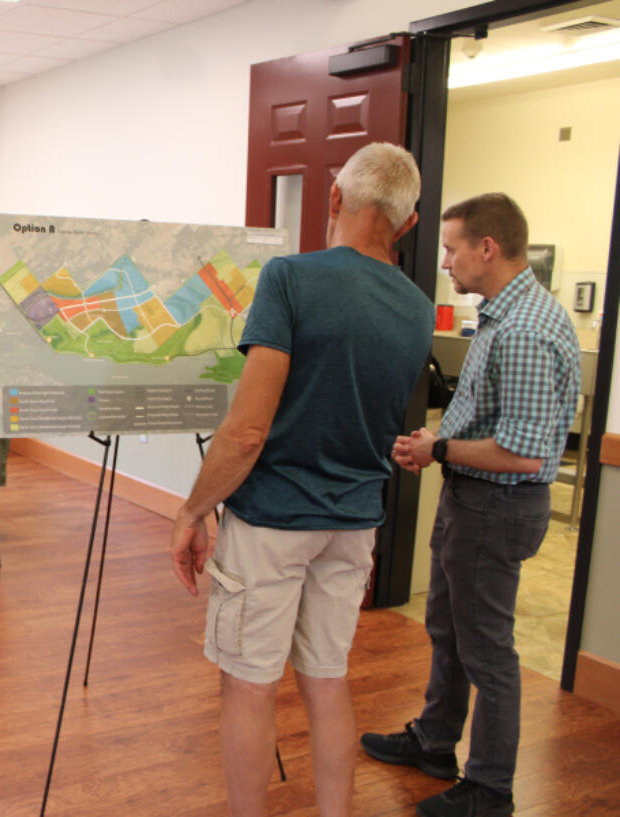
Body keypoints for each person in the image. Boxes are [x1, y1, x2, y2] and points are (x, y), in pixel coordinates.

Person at [169, 141, 434, 817]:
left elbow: (248, 429)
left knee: (249, 686)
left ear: (337, 199)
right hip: (353, 523)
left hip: (272, 523)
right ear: (404, 225)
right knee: (326, 679)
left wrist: (193, 510)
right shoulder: (413, 305)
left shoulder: (291, 277)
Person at [361, 193, 581, 817]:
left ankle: (489, 790)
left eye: (453, 250)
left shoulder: (526, 331)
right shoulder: (498, 317)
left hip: (496, 509)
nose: (447, 264)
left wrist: (440, 448)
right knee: (449, 630)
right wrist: (438, 448)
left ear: (488, 248)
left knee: (487, 649)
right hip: (471, 500)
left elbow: (525, 455)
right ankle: (434, 742)